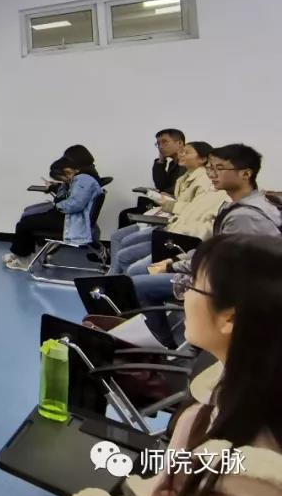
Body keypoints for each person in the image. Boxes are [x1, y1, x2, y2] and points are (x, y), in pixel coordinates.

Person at [67, 232, 282, 496]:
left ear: (229, 318)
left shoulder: (253, 476)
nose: (183, 295)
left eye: (192, 285)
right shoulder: (220, 393)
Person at [131, 143, 280, 346]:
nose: (212, 174)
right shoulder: (241, 204)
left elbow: (220, 261)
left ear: (246, 174)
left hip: (234, 286)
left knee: (137, 285)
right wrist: (174, 260)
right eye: (210, 168)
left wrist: (172, 266)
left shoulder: (244, 215)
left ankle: (163, 346)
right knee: (144, 273)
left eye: (220, 168)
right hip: (228, 275)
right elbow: (214, 248)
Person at [106, 142, 225, 276]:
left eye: (186, 152)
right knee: (124, 249)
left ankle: (118, 280)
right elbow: (185, 207)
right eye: (210, 168)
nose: (181, 154)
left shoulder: (206, 183)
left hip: (181, 239)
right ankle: (116, 279)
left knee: (131, 262)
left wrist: (169, 205)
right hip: (173, 230)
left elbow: (194, 220)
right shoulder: (186, 177)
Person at [5, 156, 103, 271]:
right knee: (29, 218)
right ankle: (25, 255)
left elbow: (74, 204)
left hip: (72, 222)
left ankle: (23, 260)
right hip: (72, 218)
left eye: (62, 178)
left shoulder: (83, 180)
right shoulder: (81, 178)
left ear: (67, 171)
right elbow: (69, 197)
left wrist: (57, 205)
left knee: (25, 223)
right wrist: (59, 187)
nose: (63, 181)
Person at [118, 129, 185, 228]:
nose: (160, 146)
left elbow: (178, 190)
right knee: (126, 214)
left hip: (175, 208)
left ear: (179, 143)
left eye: (164, 142)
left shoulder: (186, 165)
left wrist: (162, 193)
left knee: (126, 216)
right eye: (158, 143)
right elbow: (160, 184)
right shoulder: (173, 163)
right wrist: (161, 161)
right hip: (166, 203)